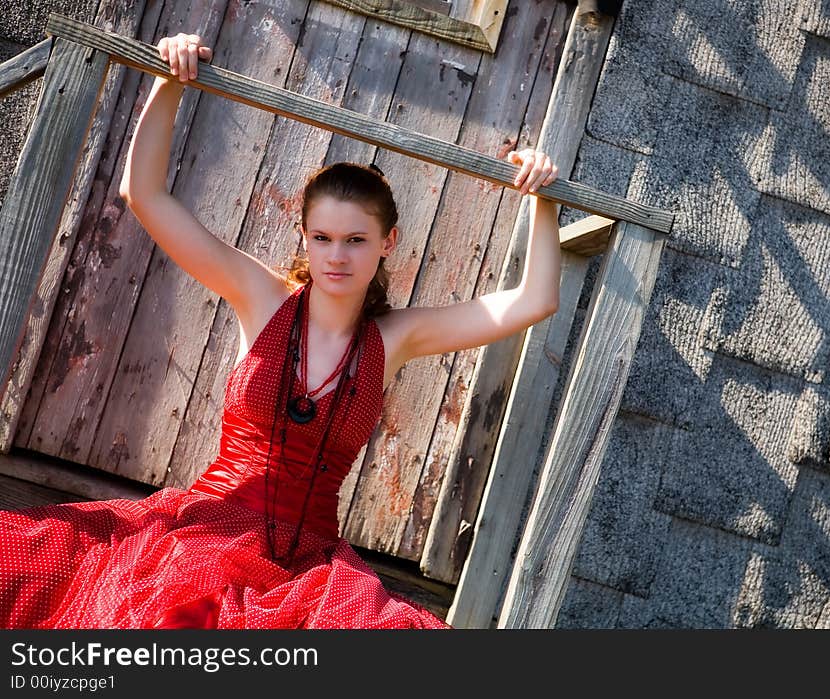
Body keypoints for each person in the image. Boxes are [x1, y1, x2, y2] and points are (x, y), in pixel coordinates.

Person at [0, 33, 561, 629]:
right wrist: (170, 81)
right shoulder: (263, 297)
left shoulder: (395, 338)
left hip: (312, 566)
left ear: (386, 244)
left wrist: (541, 197)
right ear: (304, 238)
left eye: (355, 240)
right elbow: (143, 195)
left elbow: (534, 299)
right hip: (211, 529)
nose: (336, 256)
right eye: (321, 238)